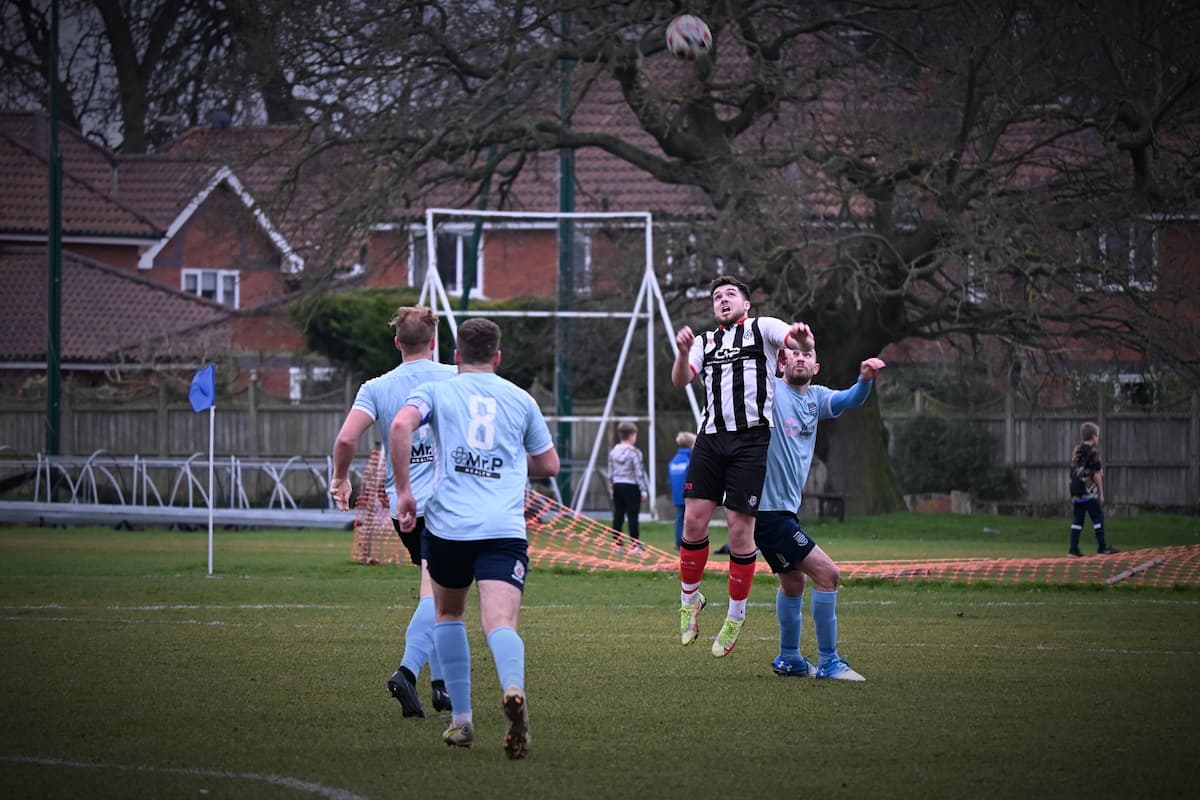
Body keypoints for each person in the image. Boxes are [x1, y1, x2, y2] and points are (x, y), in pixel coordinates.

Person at [390, 317, 559, 759]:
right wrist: (508, 462)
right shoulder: (521, 399)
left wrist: (405, 492)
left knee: (448, 613)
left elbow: (401, 426)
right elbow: (549, 464)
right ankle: (513, 687)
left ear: (456, 356)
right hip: (503, 528)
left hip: (448, 527)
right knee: (500, 622)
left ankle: (462, 721)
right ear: (498, 357)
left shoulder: (436, 390)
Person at [670, 275, 814, 658]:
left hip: (751, 440)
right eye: (717, 296)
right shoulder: (704, 341)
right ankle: (689, 602)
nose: (723, 299)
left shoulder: (762, 328)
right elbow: (681, 379)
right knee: (693, 522)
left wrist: (801, 339)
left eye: (730, 294)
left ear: (746, 304)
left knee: (738, 530)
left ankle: (735, 614)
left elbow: (792, 338)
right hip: (710, 438)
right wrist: (682, 353)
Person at [329, 306, 457, 719]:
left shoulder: (376, 387)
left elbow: (346, 439)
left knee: (437, 591)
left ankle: (442, 687)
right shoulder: (456, 378)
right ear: (434, 342)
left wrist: (340, 478)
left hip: (403, 506)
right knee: (439, 593)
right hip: (447, 503)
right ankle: (407, 672)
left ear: (397, 342)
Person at [756, 342, 885, 681]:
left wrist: (865, 379)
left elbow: (851, 399)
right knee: (828, 575)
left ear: (816, 367)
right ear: (781, 363)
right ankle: (829, 662)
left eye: (807, 354)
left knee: (794, 581)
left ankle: (789, 658)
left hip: (781, 512)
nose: (800, 357)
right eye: (794, 353)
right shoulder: (770, 391)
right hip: (768, 512)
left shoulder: (817, 398)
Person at [1069, 422, 1118, 557]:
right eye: (1098, 436)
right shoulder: (1093, 451)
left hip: (1075, 490)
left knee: (1077, 520)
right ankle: (1102, 547)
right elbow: (1096, 474)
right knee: (1098, 517)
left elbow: (1076, 467)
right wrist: (1101, 493)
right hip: (1088, 490)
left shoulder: (1077, 450)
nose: (1098, 438)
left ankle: (1073, 549)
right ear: (1094, 436)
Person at [608, 421, 649, 551]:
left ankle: (617, 544)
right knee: (632, 515)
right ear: (631, 435)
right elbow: (639, 472)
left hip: (617, 485)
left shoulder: (613, 452)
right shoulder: (634, 452)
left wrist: (611, 488)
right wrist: (643, 491)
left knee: (618, 515)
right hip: (631, 486)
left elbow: (610, 472)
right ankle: (635, 544)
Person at [667, 431, 696, 549]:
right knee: (692, 519)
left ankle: (679, 542)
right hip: (689, 493)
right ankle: (690, 541)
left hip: (676, 495)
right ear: (691, 445)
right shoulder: (691, 460)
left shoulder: (674, 461)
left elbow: (670, 479)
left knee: (679, 519)